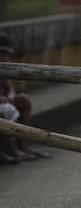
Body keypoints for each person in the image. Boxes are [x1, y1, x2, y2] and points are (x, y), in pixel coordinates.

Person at [0, 32, 51, 164]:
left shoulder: (3, 67)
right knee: (4, 113)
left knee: (24, 100)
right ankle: (10, 150)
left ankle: (24, 146)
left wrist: (10, 96)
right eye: (3, 54)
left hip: (4, 102)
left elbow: (8, 86)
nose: (6, 58)